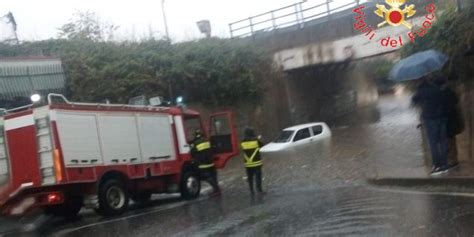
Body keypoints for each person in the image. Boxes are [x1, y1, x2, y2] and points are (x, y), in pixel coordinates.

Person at [412, 76, 450, 175]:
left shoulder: (420, 91)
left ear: (419, 80)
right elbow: (443, 101)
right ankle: (445, 165)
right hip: (442, 117)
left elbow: (414, 102)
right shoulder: (436, 88)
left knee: (433, 143)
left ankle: (437, 165)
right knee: (443, 141)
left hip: (430, 119)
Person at [190, 129, 221, 196]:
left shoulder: (195, 143)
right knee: (213, 177)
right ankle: (216, 190)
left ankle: (217, 190)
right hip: (211, 163)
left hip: (202, 164)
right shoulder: (207, 141)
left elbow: (192, 153)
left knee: (206, 177)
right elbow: (213, 149)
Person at [241, 128, 264, 194]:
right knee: (258, 177)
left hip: (247, 164)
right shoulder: (256, 141)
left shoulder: (242, 142)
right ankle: (259, 190)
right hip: (256, 163)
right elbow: (261, 145)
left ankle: (251, 190)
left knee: (250, 177)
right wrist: (258, 138)